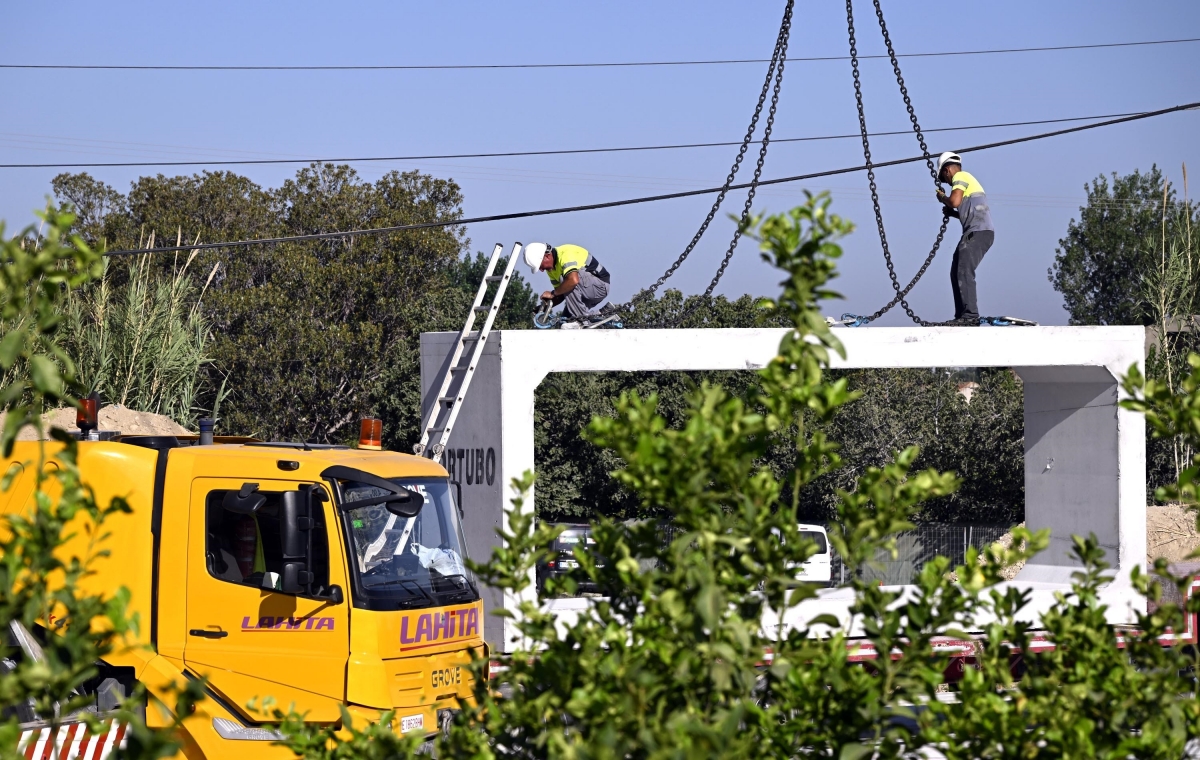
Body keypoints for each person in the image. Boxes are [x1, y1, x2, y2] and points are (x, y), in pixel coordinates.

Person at [935, 152, 994, 325]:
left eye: (944, 178)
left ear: (947, 171)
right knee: (956, 270)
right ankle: (962, 315)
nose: (947, 182)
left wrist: (942, 198)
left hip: (978, 232)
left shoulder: (960, 176)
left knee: (963, 270)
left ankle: (969, 316)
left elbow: (954, 201)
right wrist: (952, 214)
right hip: (979, 231)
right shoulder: (968, 180)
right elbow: (966, 211)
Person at [523, 243, 612, 321]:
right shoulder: (551, 270)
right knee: (566, 321)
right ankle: (602, 314)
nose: (542, 270)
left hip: (600, 286)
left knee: (567, 279)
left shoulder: (565, 254)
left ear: (547, 256)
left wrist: (552, 293)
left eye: (540, 266)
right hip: (585, 291)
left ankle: (583, 319)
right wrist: (543, 308)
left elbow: (573, 280)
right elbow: (561, 293)